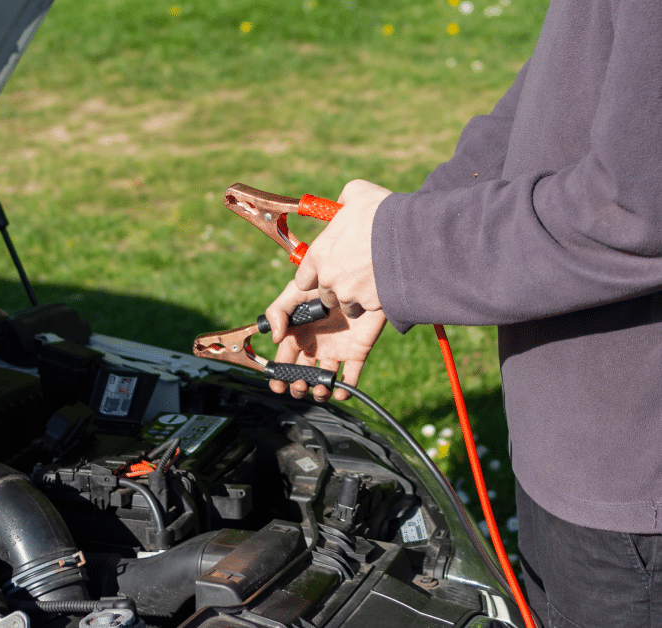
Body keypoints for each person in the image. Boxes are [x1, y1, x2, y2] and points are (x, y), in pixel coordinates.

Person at [263, 2, 662, 626]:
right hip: (571, 456)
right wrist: (395, 253)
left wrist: (405, 247)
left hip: (634, 500)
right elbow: (563, 87)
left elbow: (638, 210)